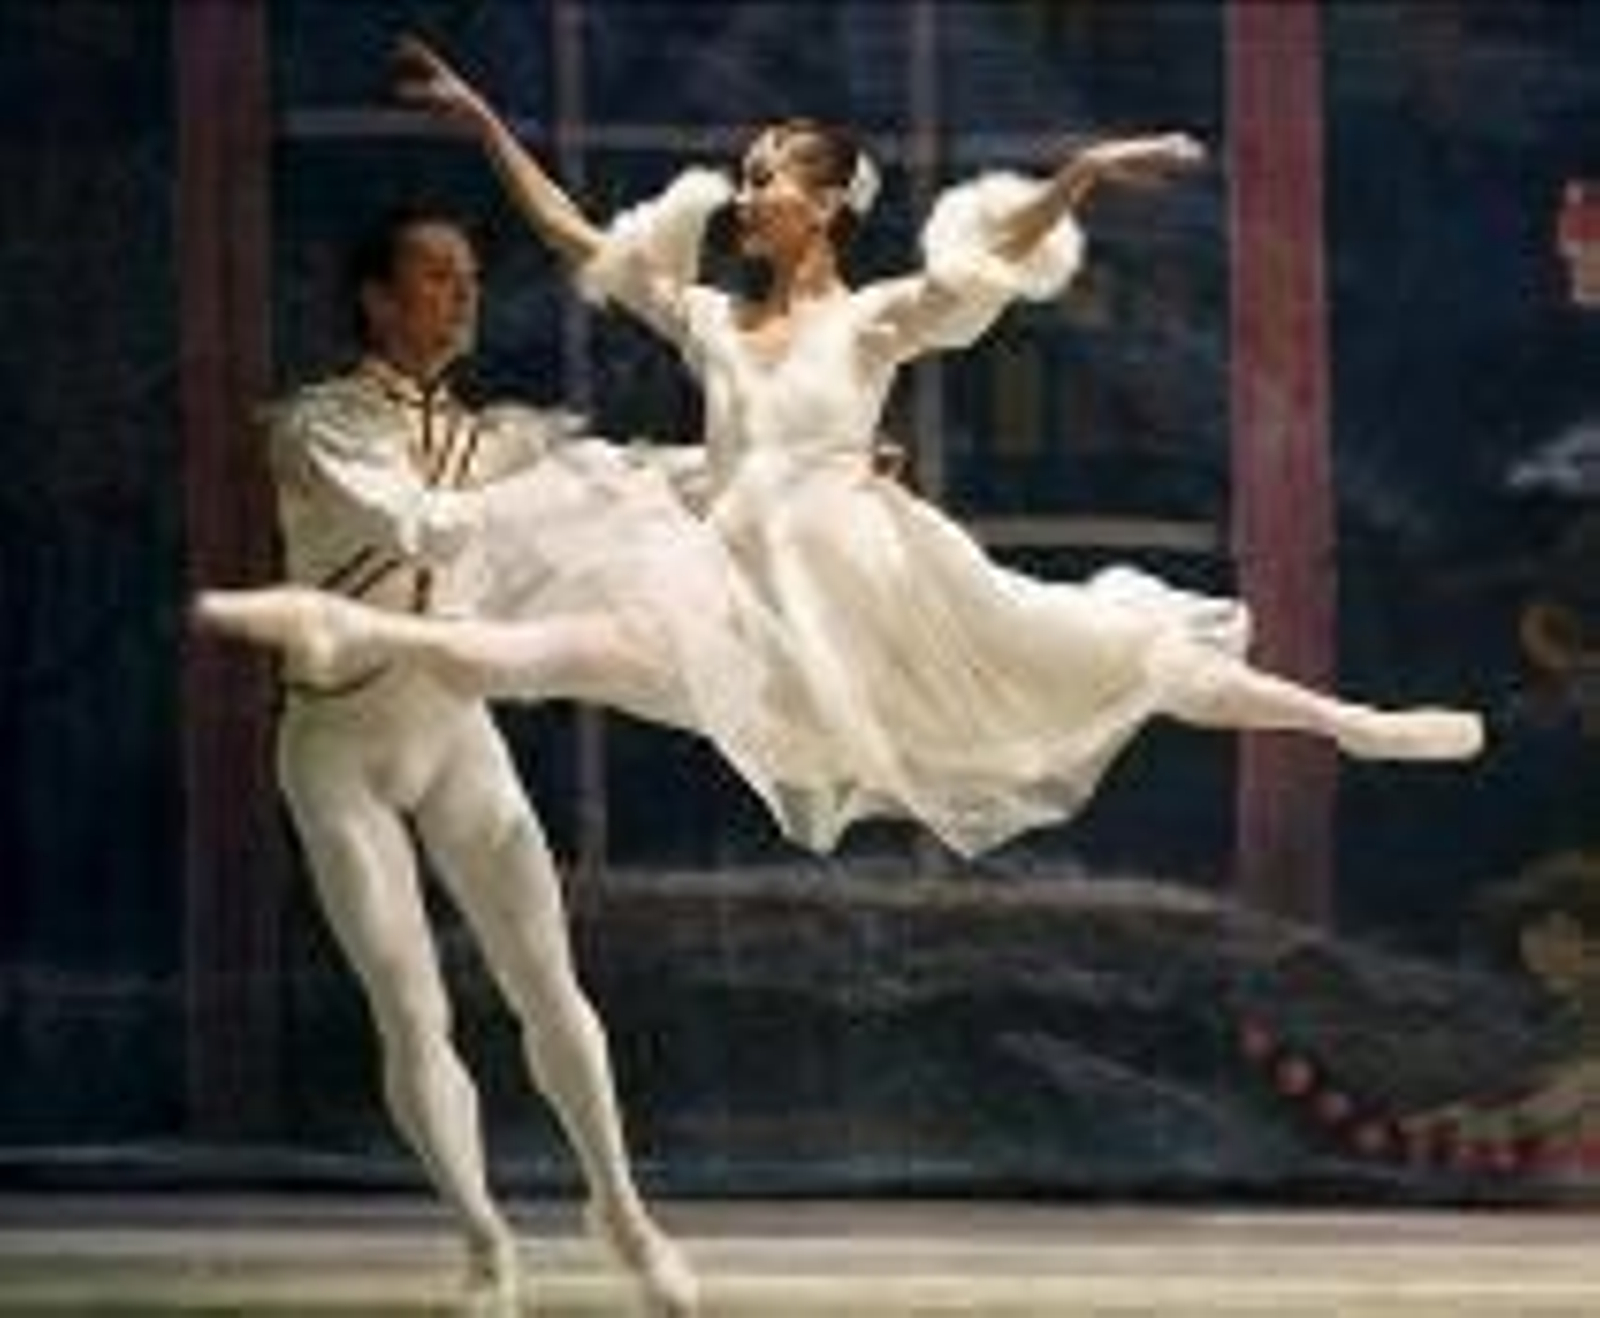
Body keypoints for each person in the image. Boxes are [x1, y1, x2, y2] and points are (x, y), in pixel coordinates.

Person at [202, 37, 1484, 860]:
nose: (745, 190)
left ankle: (1350, 721)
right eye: (746, 173)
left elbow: (982, 265)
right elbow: (580, 240)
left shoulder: (867, 320)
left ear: (821, 205)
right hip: (732, 582)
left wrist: (1080, 174)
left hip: (859, 568)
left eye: (768, 175)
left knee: (1100, 646)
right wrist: (486, 122)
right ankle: (363, 640)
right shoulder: (709, 316)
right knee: (555, 650)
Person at [220, 202, 699, 1316]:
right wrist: (547, 484)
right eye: (438, 275)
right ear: (378, 300)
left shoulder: (491, 436)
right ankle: (485, 1242)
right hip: (341, 752)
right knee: (410, 1002)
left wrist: (795, 468)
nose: (464, 292)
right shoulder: (319, 426)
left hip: (452, 733)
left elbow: (628, 470)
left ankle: (621, 1209)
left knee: (548, 981)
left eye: (470, 275)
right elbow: (422, 524)